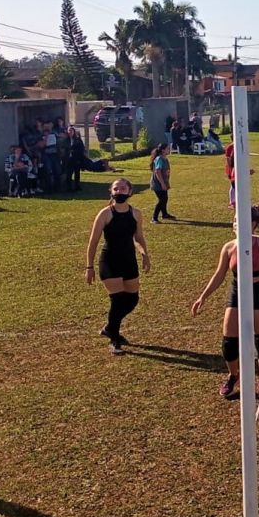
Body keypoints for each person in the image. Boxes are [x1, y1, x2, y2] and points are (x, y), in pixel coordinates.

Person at [192, 205, 259, 401]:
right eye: (235, 220)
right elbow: (219, 275)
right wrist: (203, 297)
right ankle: (234, 375)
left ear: (254, 224)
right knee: (229, 341)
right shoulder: (229, 247)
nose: (237, 224)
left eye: (241, 220)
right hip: (237, 291)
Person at [85, 178, 150, 355]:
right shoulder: (105, 214)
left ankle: (109, 327)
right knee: (118, 300)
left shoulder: (136, 214)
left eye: (123, 188)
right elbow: (93, 242)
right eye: (116, 189)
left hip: (129, 260)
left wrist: (144, 253)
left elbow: (138, 237)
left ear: (130, 192)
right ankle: (114, 340)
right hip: (110, 261)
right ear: (111, 192)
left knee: (132, 299)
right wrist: (89, 267)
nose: (119, 191)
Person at [149, 144, 175, 223]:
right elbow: (157, 171)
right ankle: (154, 218)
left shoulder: (165, 159)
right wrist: (162, 184)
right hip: (158, 183)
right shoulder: (159, 159)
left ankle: (164, 214)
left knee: (165, 198)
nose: (169, 150)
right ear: (163, 150)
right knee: (162, 200)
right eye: (167, 148)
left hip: (163, 182)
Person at [66, 126, 85, 192]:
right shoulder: (66, 140)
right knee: (69, 174)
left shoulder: (78, 140)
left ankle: (77, 186)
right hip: (69, 160)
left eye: (72, 131)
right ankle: (68, 187)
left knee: (77, 173)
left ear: (74, 132)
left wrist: (80, 159)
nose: (70, 132)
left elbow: (81, 150)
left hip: (76, 159)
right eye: (69, 131)